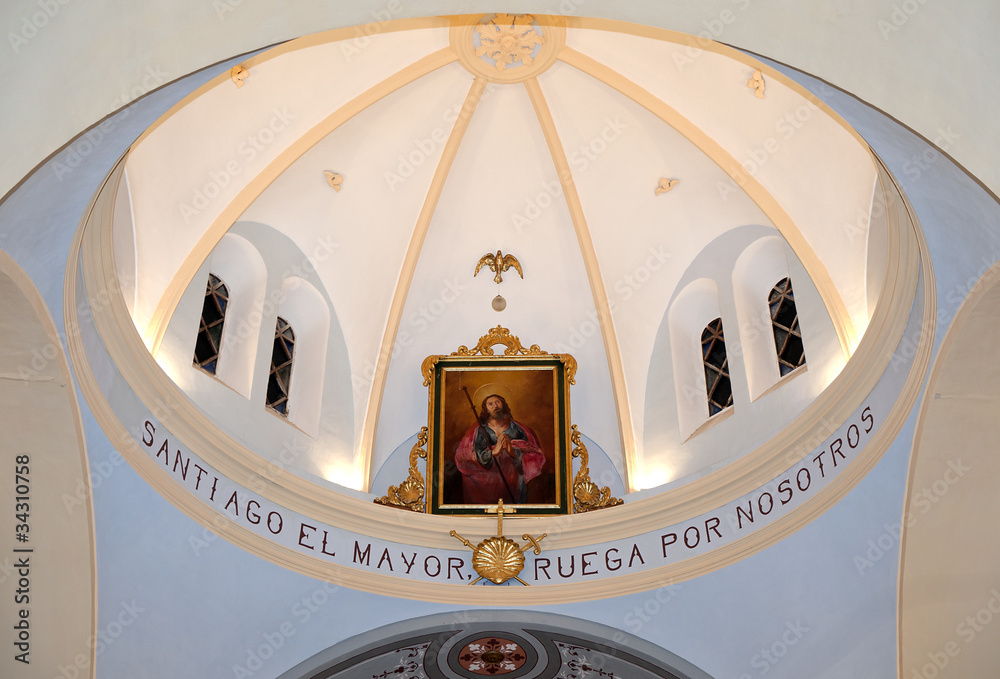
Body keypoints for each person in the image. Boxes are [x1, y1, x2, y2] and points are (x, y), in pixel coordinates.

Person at [453, 394, 545, 504]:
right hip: (487, 484)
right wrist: (493, 452)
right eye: (490, 404)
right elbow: (467, 455)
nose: (495, 406)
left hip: (513, 480)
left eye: (498, 402)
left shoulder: (517, 428)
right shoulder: (479, 430)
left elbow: (532, 454)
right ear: (485, 409)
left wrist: (512, 452)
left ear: (504, 405)